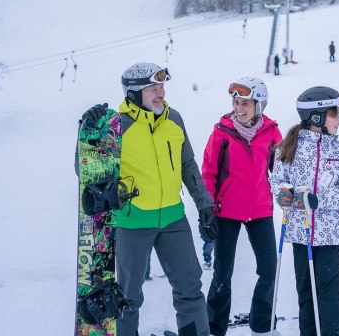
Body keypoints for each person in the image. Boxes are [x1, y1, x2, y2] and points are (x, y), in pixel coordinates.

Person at [79, 62, 218, 336]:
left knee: (190, 288)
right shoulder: (114, 127)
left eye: (162, 86)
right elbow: (86, 170)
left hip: (173, 219)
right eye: (153, 88)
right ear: (133, 93)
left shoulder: (173, 119)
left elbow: (187, 164)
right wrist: (87, 131)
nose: (161, 93)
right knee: (128, 297)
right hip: (133, 223)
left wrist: (205, 205)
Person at [270, 86, 339, 336]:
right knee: (306, 293)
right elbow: (277, 184)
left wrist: (319, 199)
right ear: (317, 117)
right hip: (301, 232)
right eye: (336, 114)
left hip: (330, 235)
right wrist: (291, 196)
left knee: (329, 293)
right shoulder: (288, 148)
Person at [202, 77, 283, 336]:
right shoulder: (221, 132)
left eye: (245, 103)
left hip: (260, 210)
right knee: (222, 273)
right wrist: (208, 210)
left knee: (269, 269)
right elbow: (209, 172)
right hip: (227, 212)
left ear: (259, 105)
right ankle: (214, 328)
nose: (239, 108)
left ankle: (261, 326)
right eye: (236, 102)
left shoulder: (271, 132)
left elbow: (281, 168)